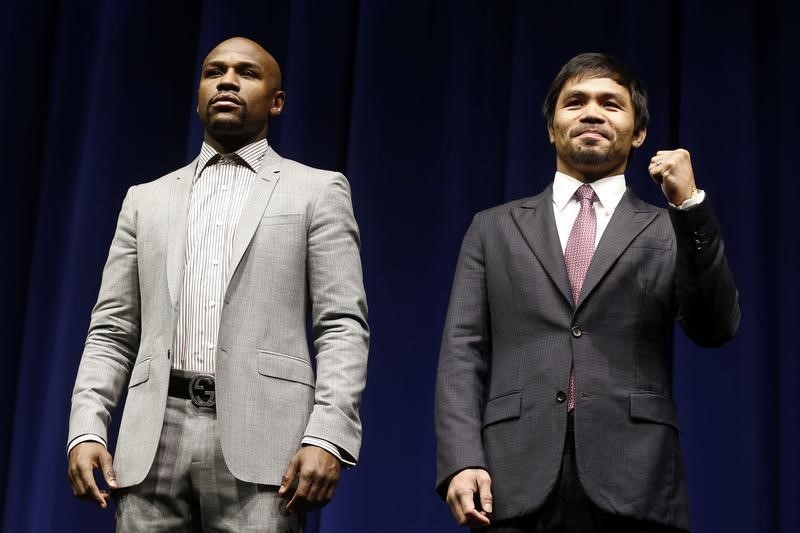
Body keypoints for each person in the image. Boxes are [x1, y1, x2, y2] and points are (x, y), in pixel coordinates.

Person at [67, 36, 369, 532]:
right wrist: (85, 429)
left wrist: (327, 436)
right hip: (151, 441)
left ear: (277, 101)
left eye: (246, 73)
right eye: (214, 72)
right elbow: (112, 331)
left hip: (264, 442)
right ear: (199, 93)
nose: (227, 80)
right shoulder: (146, 199)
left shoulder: (317, 191)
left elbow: (342, 326)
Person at [435, 53, 740, 532]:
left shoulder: (668, 227)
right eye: (574, 102)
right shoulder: (493, 228)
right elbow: (462, 351)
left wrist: (690, 207)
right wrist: (460, 458)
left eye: (611, 104)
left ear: (638, 133)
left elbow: (716, 326)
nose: (592, 113)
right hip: (512, 477)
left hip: (637, 478)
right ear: (552, 128)